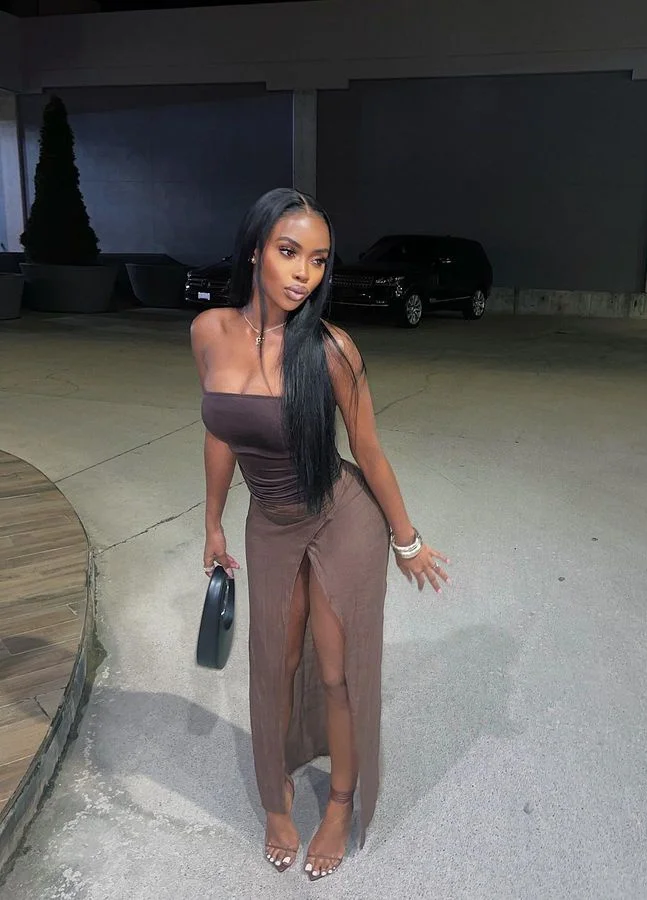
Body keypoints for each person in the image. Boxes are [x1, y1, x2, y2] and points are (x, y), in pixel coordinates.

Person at [191, 188, 450, 881]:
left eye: (318, 260)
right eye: (289, 252)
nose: (303, 273)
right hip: (268, 522)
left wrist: (406, 541)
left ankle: (339, 802)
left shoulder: (332, 349)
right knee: (274, 663)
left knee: (336, 670)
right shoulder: (209, 331)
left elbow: (369, 451)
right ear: (256, 251)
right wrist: (212, 520)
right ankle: (276, 796)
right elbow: (220, 431)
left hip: (341, 518)